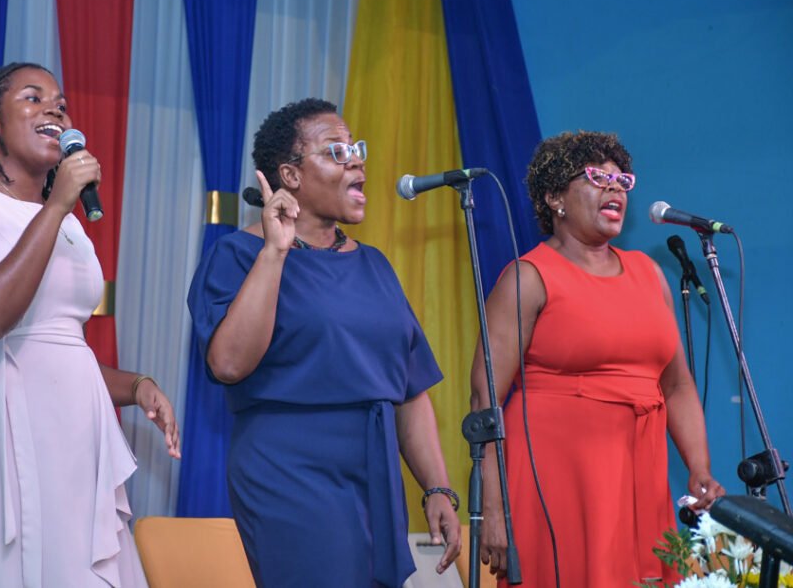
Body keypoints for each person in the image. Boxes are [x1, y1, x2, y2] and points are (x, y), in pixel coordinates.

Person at [0, 62, 180, 588]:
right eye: (33, 99)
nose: (55, 108)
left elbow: (58, 346)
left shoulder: (68, 224)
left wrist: (137, 386)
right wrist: (57, 205)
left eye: (60, 101)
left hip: (74, 444)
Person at [187, 98, 461, 587]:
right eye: (335, 151)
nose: (356, 160)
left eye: (356, 148)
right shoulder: (238, 254)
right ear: (290, 176)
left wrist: (436, 488)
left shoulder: (374, 264)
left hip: (373, 472)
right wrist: (275, 249)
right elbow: (228, 363)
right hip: (289, 467)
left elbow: (409, 389)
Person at [471, 131, 724, 587]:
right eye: (596, 177)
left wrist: (699, 467)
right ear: (554, 197)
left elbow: (677, 385)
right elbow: (484, 400)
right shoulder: (527, 278)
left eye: (621, 180)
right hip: (556, 479)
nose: (615, 188)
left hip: (639, 473)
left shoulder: (649, 275)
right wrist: (493, 508)